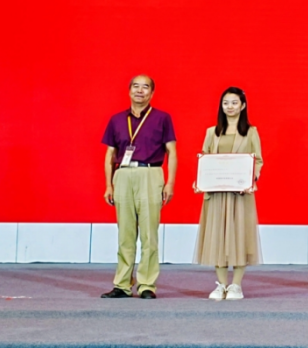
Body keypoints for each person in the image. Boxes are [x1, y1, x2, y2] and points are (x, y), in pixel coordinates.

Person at [100, 75, 177, 299]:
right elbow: (110, 154)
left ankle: (146, 284)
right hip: (123, 174)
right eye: (136, 86)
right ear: (129, 91)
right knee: (125, 233)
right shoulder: (116, 120)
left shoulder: (162, 118)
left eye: (145, 87)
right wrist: (108, 185)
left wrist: (170, 182)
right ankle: (122, 284)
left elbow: (172, 152)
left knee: (149, 234)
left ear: (152, 93)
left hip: (150, 173)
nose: (140, 91)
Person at [193, 87, 263, 300]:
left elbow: (258, 160)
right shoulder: (211, 132)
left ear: (242, 106)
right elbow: (204, 158)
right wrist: (200, 180)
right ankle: (221, 285)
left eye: (234, 102)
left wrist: (251, 179)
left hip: (240, 194)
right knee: (217, 237)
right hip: (216, 194)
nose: (229, 107)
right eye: (226, 103)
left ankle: (236, 285)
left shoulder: (251, 132)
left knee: (240, 237)